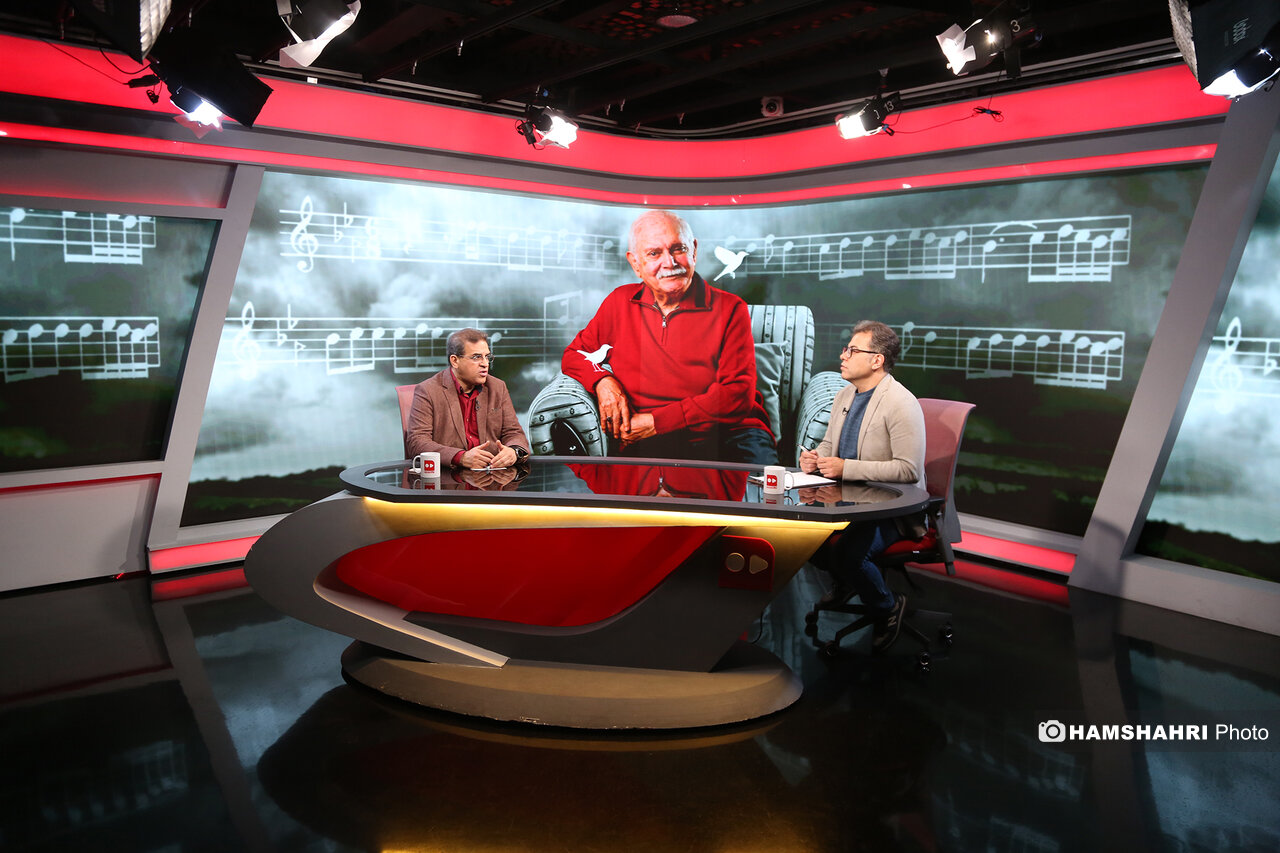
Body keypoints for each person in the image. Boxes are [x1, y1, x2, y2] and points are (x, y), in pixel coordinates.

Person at [561, 209, 777, 464]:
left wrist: (657, 422)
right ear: (635, 264)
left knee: (762, 487)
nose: (670, 262)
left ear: (693, 251)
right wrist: (603, 382)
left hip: (730, 434)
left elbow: (736, 393)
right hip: (644, 437)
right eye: (654, 253)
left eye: (678, 249)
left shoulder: (731, 309)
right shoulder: (619, 302)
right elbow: (574, 355)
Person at [799, 320, 926, 653]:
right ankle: (847, 583)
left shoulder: (901, 402)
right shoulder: (845, 395)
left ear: (876, 360)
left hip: (891, 510)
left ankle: (887, 606)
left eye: (852, 350)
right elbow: (830, 445)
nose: (843, 355)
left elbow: (909, 469)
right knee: (802, 538)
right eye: (846, 349)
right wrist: (814, 458)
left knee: (850, 555)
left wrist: (846, 467)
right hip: (849, 501)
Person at [406, 328, 530, 469]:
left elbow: (514, 432)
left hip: (492, 475)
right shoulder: (428, 391)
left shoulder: (497, 387)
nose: (485, 363)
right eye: (476, 357)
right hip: (450, 477)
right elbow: (417, 441)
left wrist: (513, 451)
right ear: (455, 361)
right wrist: (461, 457)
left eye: (487, 357)